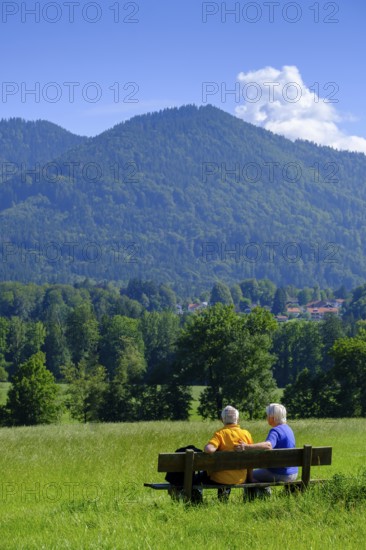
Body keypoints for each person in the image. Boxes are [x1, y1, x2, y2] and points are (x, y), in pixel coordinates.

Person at [235, 403, 298, 483]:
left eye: (267, 415)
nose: (266, 417)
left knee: (248, 476)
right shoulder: (289, 429)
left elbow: (268, 445)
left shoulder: (275, 431)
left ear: (273, 418)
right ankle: (264, 492)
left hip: (280, 473)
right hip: (293, 473)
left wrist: (246, 447)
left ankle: (258, 494)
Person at [202, 405, 254, 500]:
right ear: (238, 419)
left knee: (200, 476)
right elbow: (251, 458)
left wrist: (206, 446)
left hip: (221, 479)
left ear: (222, 419)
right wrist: (250, 478)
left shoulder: (220, 434)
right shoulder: (246, 434)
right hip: (241, 478)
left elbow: (209, 449)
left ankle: (202, 499)